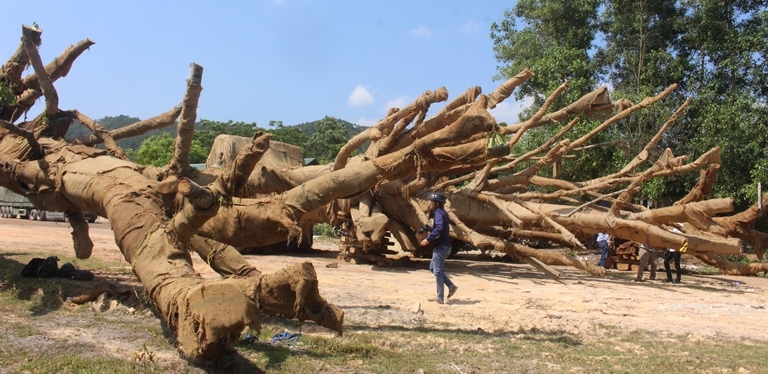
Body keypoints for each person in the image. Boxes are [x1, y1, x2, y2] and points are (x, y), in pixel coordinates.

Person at [419, 192, 458, 304]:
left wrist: (428, 239)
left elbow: (440, 227)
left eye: (431, 201)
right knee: (433, 268)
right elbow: (440, 229)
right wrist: (429, 230)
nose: (429, 203)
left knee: (437, 270)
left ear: (436, 203)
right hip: (442, 246)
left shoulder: (439, 214)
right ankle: (451, 286)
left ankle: (440, 298)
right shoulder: (440, 213)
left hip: (442, 247)